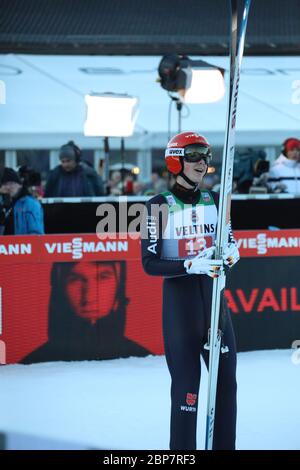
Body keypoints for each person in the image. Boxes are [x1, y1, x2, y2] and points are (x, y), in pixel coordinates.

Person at [141, 132, 240, 450]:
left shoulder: (215, 200)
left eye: (206, 155)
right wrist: (188, 266)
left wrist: (232, 251)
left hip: (215, 307)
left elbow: (227, 239)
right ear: (176, 160)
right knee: (187, 389)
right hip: (181, 308)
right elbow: (149, 263)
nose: (202, 162)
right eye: (194, 155)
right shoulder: (157, 206)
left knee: (226, 385)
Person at [21, 261, 150, 363]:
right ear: (60, 289)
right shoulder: (34, 363)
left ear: (119, 287)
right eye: (75, 279)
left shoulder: (143, 359)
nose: (89, 297)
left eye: (103, 277)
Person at [0, 167, 44, 235]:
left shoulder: (30, 204)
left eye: (11, 183)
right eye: (5, 184)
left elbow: (36, 233)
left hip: (22, 244)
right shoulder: (4, 204)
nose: (8, 187)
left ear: (20, 185)